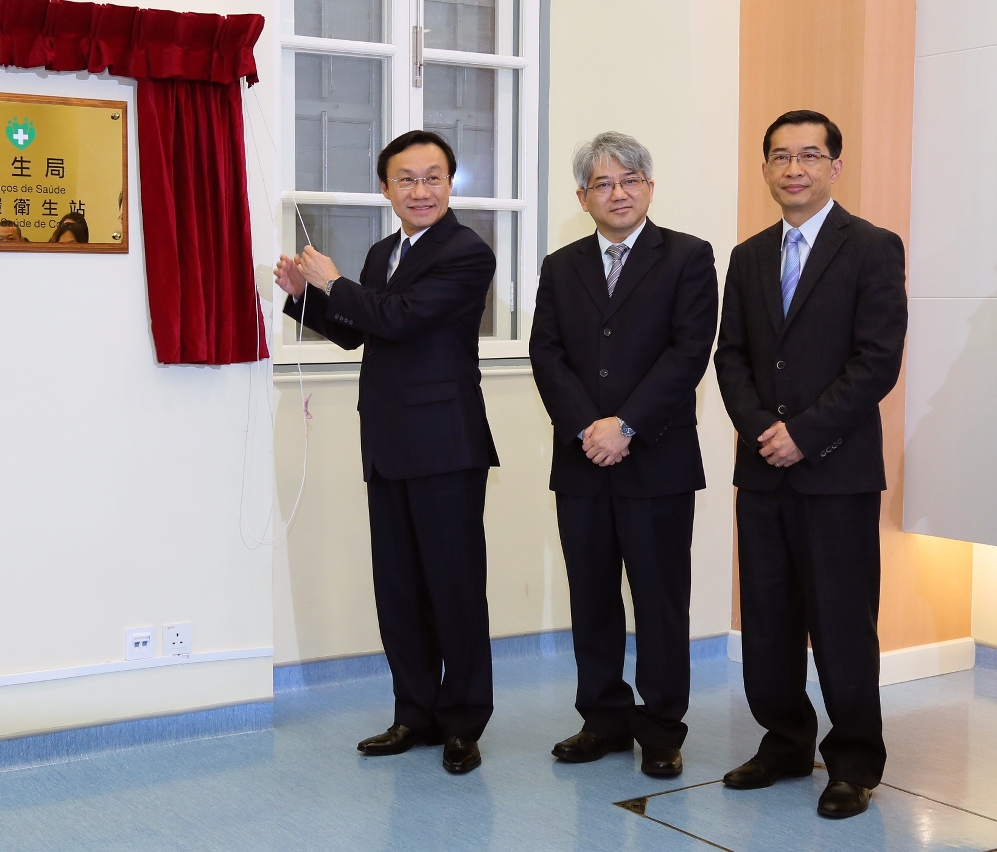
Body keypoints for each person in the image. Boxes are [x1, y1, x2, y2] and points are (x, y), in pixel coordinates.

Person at [274, 130, 498, 775]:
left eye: (433, 178)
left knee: (454, 589)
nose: (420, 191)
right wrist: (303, 295)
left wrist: (335, 281)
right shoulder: (381, 252)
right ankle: (414, 714)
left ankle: (462, 724)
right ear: (386, 189)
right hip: (389, 441)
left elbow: (399, 318)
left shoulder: (466, 253)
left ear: (450, 184)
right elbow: (355, 332)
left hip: (447, 444)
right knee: (399, 588)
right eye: (407, 179)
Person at [713, 110, 908, 819]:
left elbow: (876, 361)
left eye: (809, 156)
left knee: (842, 622)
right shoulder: (749, 255)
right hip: (763, 469)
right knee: (767, 616)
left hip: (836, 472)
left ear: (835, 166)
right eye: (780, 157)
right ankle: (786, 741)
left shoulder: (873, 248)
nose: (793, 168)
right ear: (764, 168)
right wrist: (766, 429)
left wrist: (806, 433)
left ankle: (854, 760)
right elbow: (729, 355)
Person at [529, 132, 718, 779]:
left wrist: (626, 425)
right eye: (604, 184)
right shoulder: (561, 267)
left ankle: (662, 727)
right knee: (592, 597)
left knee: (660, 599)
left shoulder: (689, 258)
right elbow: (546, 355)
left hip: (657, 460)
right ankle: (603, 718)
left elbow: (687, 354)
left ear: (650, 187)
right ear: (583, 197)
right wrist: (589, 426)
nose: (619, 193)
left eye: (631, 179)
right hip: (582, 463)